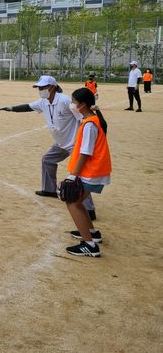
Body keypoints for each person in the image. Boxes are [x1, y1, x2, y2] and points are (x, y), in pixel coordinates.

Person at [0, 75, 97, 219]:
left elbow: (83, 117)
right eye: (39, 87)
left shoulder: (65, 101)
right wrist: (10, 108)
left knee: (78, 174)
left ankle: (89, 209)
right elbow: (28, 107)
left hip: (75, 143)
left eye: (42, 87)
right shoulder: (43, 102)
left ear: (52, 87)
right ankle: (49, 189)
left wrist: (85, 141)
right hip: (61, 143)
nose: (40, 90)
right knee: (47, 160)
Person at [63, 87, 111, 257]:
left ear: (82, 105)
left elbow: (85, 152)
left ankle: (89, 245)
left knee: (72, 202)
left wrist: (72, 175)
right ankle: (92, 233)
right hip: (94, 171)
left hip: (92, 172)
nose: (72, 104)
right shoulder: (91, 120)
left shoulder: (90, 124)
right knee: (79, 202)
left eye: (74, 102)